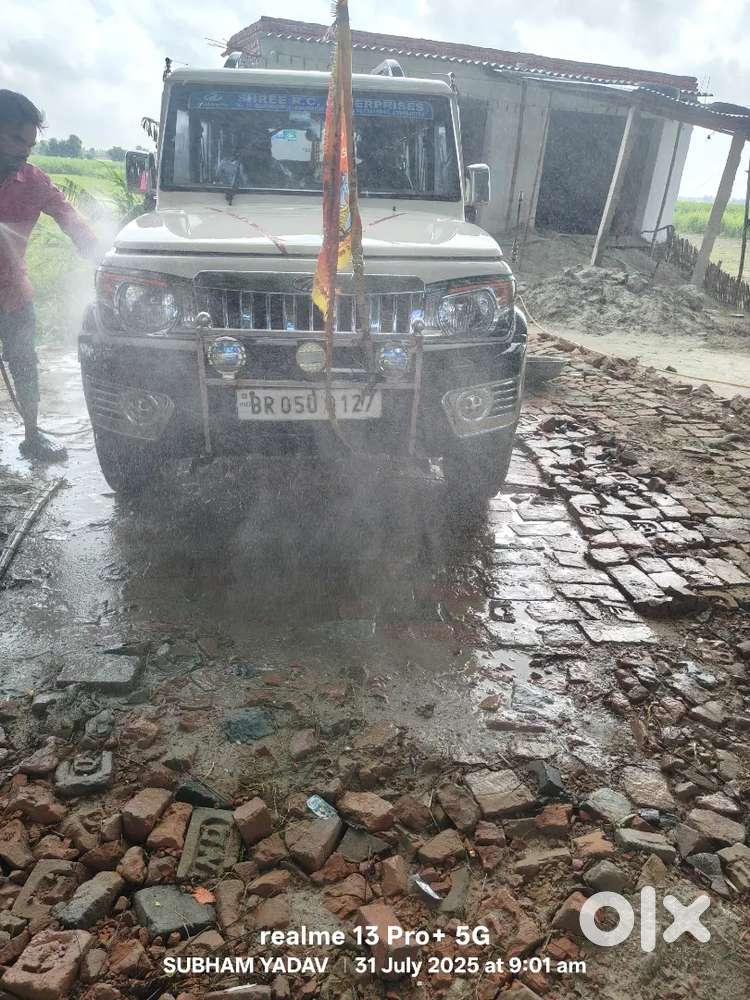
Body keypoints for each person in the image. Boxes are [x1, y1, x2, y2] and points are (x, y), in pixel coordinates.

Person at [0, 90, 99, 462]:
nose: (24, 152)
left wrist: (102, 257)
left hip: (12, 294)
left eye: (29, 144)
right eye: (15, 140)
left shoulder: (33, 181)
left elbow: (69, 218)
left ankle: (32, 436)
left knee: (25, 363)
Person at [216, 125, 290, 189]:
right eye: (256, 147)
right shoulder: (227, 167)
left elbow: (287, 186)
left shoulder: (276, 167)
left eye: (265, 147)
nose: (259, 152)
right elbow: (218, 188)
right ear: (244, 148)